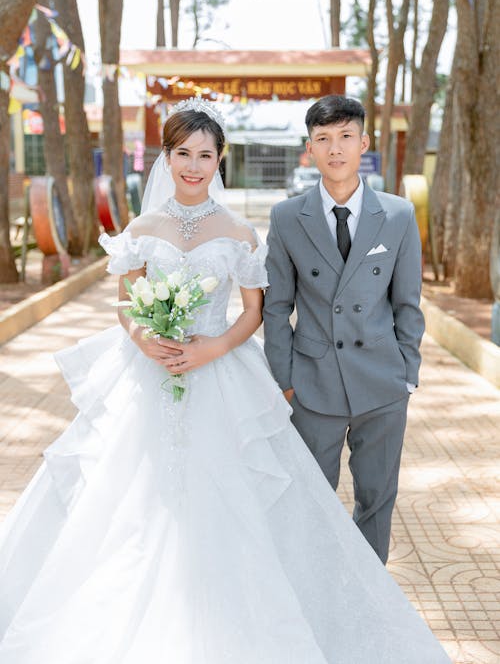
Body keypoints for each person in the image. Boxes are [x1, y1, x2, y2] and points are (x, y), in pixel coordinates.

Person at [0, 98, 450, 663]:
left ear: (220, 160)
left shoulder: (239, 231)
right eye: (183, 153)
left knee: (284, 495)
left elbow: (257, 310)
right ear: (167, 157)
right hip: (152, 374)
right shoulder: (144, 227)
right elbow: (126, 304)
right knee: (135, 495)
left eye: (205, 154)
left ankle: (347, 600)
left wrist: (212, 347)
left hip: (227, 373)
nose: (194, 164)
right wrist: (146, 341)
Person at [263, 94, 425, 565]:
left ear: (363, 144)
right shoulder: (287, 217)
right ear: (309, 149)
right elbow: (277, 308)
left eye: (345, 137)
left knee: (377, 501)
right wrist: (285, 381)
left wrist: (406, 375)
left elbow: (408, 304)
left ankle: (368, 602)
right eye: (323, 139)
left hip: (382, 382)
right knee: (309, 500)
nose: (335, 149)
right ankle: (314, 595)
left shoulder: (397, 215)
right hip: (313, 385)